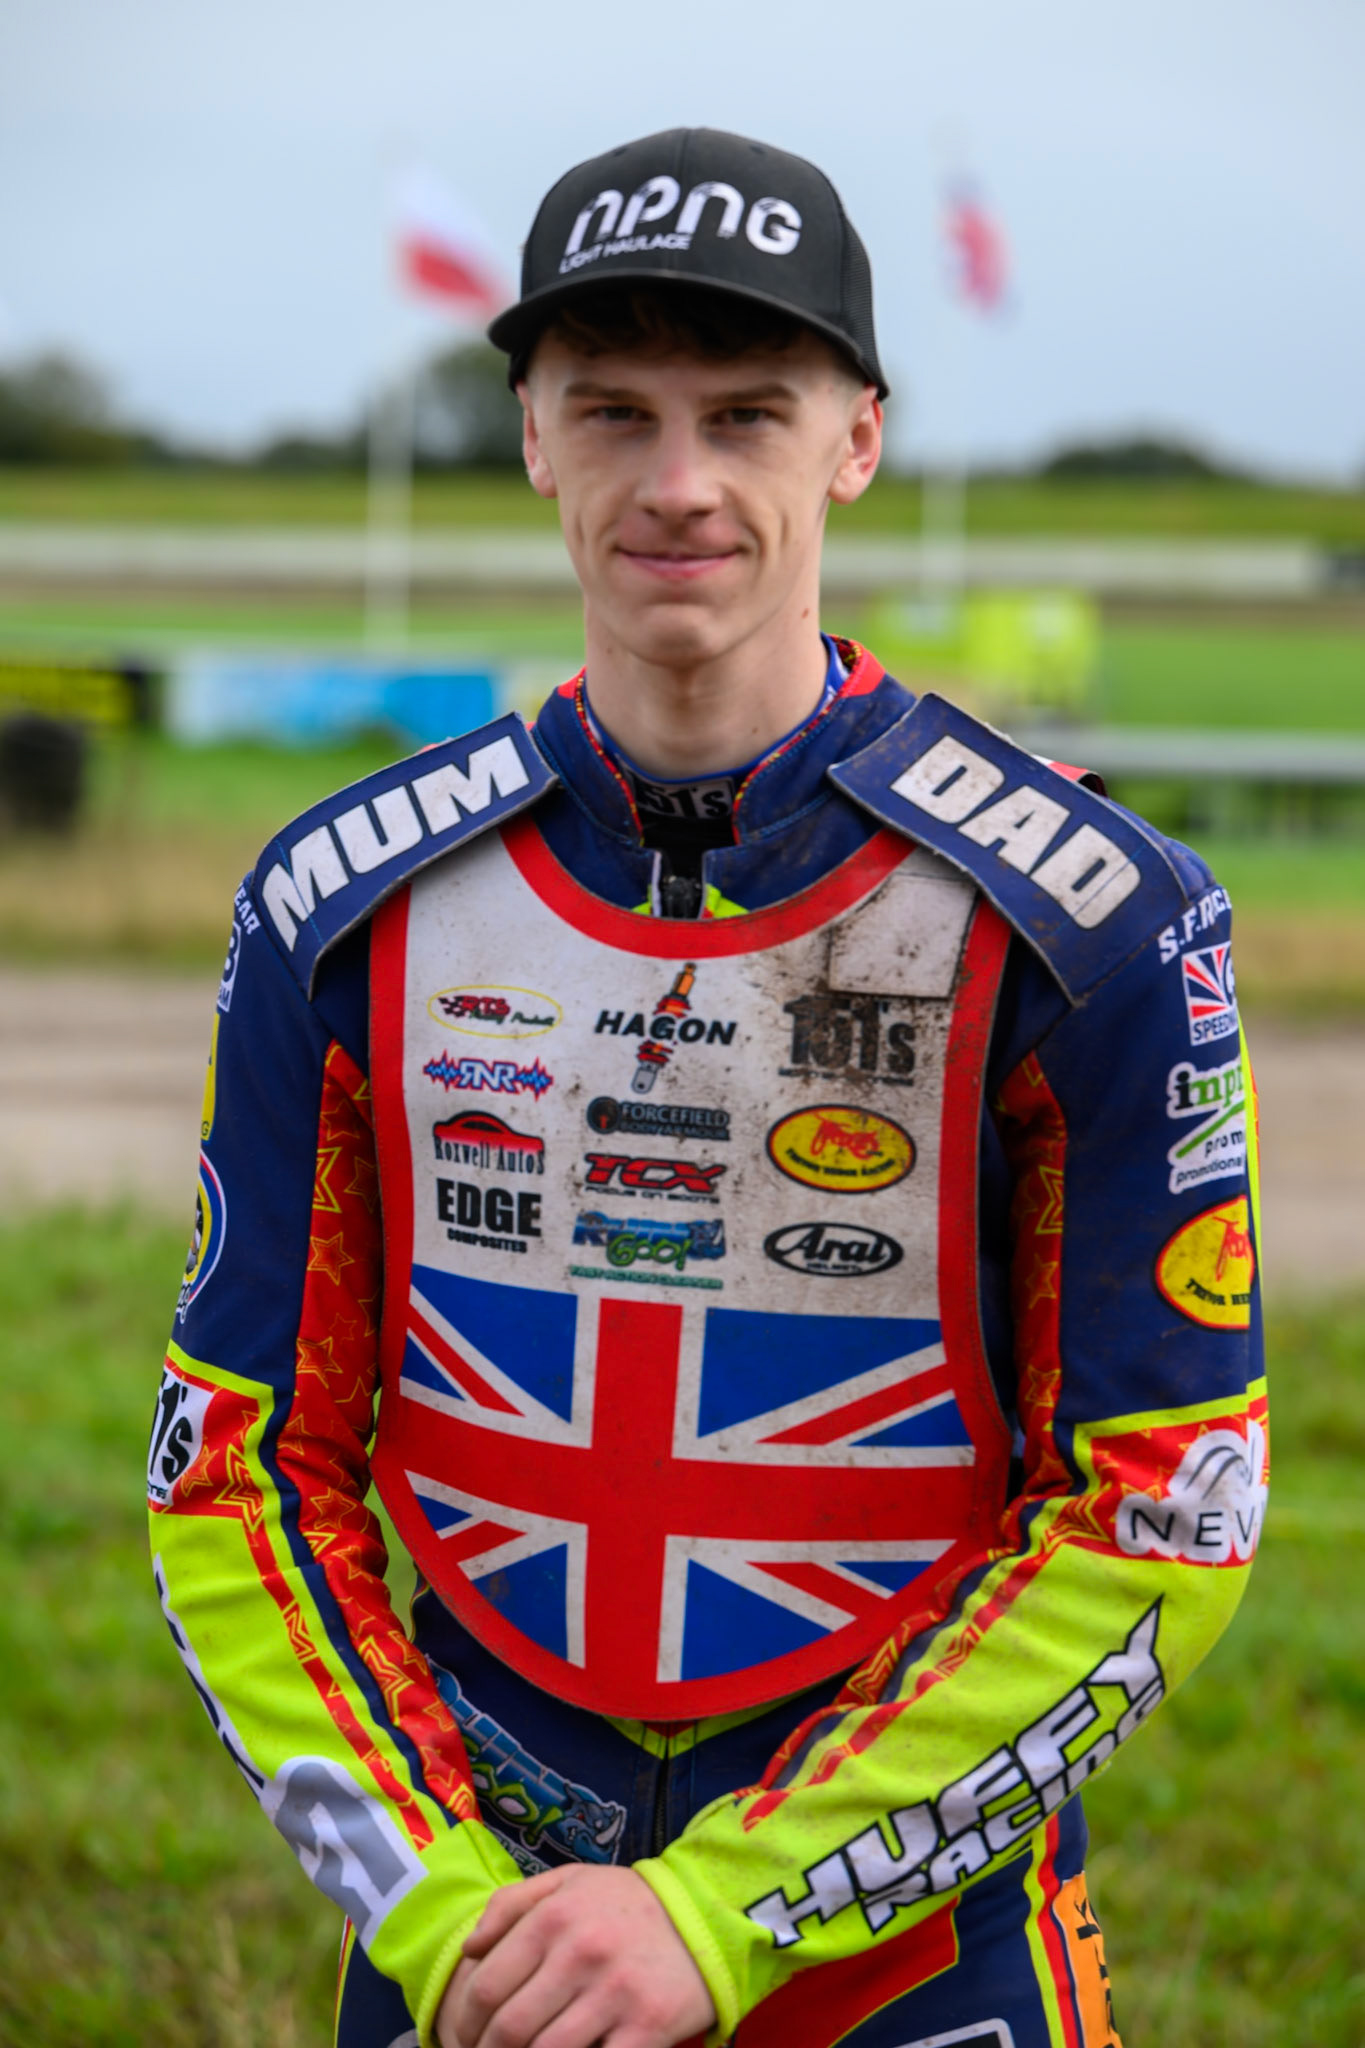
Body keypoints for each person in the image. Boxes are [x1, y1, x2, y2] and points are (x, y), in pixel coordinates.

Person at [149, 127, 1266, 2048]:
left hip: (910, 1954)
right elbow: (234, 1478)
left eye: (746, 412)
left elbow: (1165, 1510)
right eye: (612, 411)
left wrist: (727, 1909)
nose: (679, 484)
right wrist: (436, 1913)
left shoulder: (1092, 916)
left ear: (856, 440)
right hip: (478, 1944)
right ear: (528, 435)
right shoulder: (337, 907)